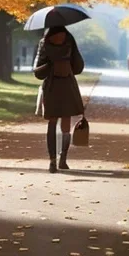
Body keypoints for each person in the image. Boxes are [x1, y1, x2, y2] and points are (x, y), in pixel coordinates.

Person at [33, 25, 84, 173]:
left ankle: (52, 161)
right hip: (67, 83)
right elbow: (78, 66)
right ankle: (63, 158)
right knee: (66, 122)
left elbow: (38, 70)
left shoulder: (45, 42)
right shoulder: (69, 40)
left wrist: (51, 63)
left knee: (52, 121)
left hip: (51, 85)